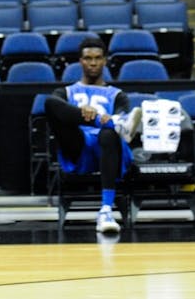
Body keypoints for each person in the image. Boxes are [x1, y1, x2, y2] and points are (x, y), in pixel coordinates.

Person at [44, 36, 141, 235]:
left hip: (107, 148)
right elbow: (55, 107)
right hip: (78, 146)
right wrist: (86, 114)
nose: (93, 63)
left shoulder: (117, 95)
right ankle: (107, 122)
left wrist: (107, 122)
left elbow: (124, 115)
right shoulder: (66, 91)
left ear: (105, 60)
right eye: (88, 58)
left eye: (98, 58)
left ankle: (106, 211)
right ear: (80, 61)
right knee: (50, 103)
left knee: (109, 133)